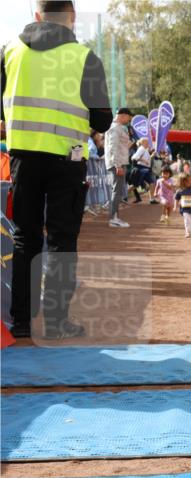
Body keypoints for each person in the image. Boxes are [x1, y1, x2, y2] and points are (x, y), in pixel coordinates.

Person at [1, 0, 112, 339]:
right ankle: (55, 321)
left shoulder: (9, 53)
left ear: (37, 17)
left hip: (22, 160)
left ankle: (20, 321)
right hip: (68, 161)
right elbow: (102, 120)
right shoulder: (85, 58)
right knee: (63, 242)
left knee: (25, 240)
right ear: (72, 18)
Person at [103, 107, 133, 227]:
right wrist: (117, 165)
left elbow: (119, 146)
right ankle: (113, 218)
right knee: (116, 191)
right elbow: (113, 147)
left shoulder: (118, 128)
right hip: (117, 164)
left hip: (118, 162)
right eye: (128, 117)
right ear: (122, 115)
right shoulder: (115, 128)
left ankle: (115, 217)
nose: (129, 120)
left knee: (117, 191)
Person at [174, 173, 191, 238]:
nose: (190, 182)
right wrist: (175, 207)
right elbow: (176, 199)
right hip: (185, 209)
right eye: (188, 181)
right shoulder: (180, 191)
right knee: (187, 220)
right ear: (183, 182)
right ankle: (188, 232)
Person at [130, 137, 154, 203]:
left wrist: (151, 156)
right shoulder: (141, 149)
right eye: (147, 142)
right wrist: (143, 160)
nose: (148, 143)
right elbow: (134, 158)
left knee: (152, 183)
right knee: (135, 185)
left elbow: (146, 159)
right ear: (143, 143)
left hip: (145, 169)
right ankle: (123, 196)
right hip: (141, 169)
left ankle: (152, 199)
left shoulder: (144, 149)